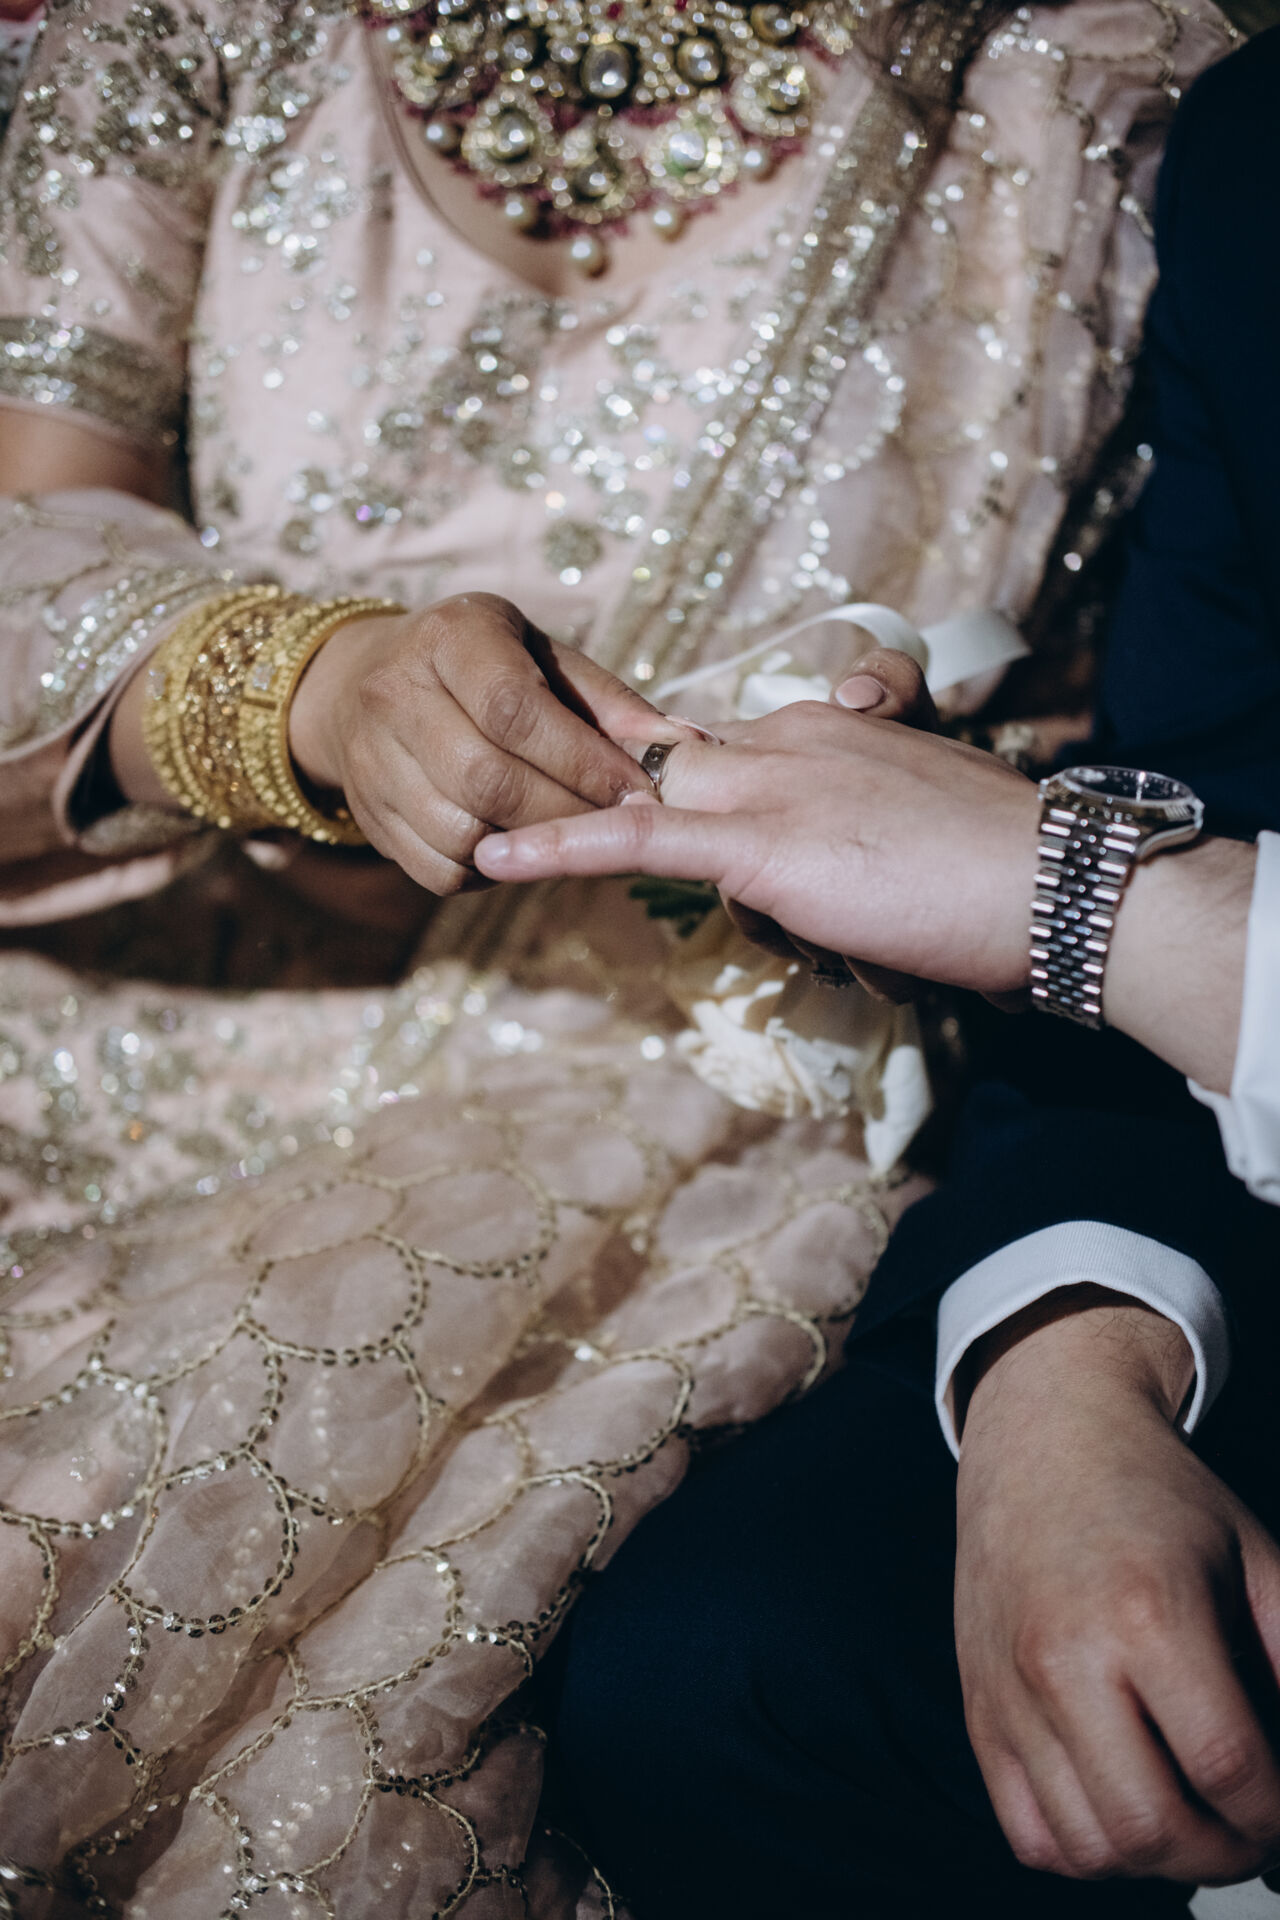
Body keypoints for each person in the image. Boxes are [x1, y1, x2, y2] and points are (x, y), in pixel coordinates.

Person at [0, 0, 1240, 1909]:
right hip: (125, 1000)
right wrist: (303, 688)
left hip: (688, 1111)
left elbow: (1180, 722)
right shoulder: (193, 24)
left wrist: (936, 774)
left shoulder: (1107, 70)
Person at [479, 24, 1280, 1915]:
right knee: (724, 1665)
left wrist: (1080, 893)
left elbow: (1129, 885)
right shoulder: (1261, 151)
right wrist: (1062, 1366)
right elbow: (1223, 774)